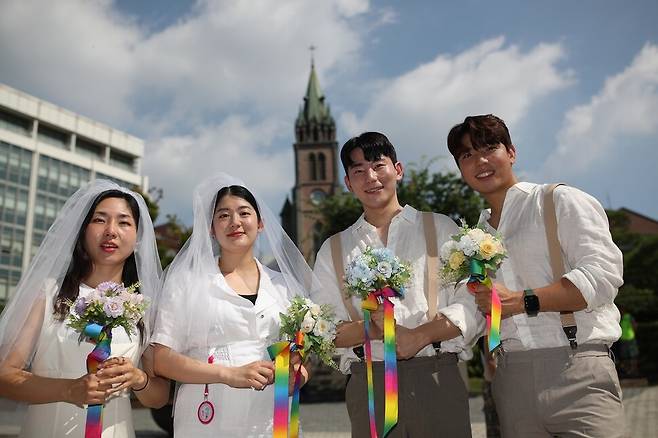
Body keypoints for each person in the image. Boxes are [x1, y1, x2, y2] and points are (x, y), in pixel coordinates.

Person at [447, 114, 626, 437]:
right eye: (467, 155)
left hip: (579, 367)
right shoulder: (473, 238)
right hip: (511, 379)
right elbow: (472, 307)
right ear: (461, 169)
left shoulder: (558, 200)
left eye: (489, 147)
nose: (480, 160)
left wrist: (522, 300)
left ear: (511, 152)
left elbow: (603, 275)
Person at [311, 132, 482, 437]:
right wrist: (373, 329)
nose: (371, 177)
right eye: (359, 171)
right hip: (369, 384)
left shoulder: (440, 228)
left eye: (379, 165)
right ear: (348, 183)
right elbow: (324, 330)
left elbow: (474, 300)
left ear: (398, 170)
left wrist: (420, 336)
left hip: (438, 374)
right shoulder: (334, 249)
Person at [0, 180, 169, 438]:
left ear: (137, 238)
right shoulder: (48, 295)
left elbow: (158, 397)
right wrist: (68, 390)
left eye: (124, 222)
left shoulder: (145, 308)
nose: (111, 231)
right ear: (82, 231)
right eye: (100, 220)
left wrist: (138, 379)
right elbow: (5, 376)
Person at [152, 173, 312, 437]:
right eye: (223, 215)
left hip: (273, 419)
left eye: (244, 213)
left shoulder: (285, 286)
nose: (235, 222)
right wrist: (228, 374)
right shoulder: (186, 282)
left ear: (260, 223)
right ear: (211, 229)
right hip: (207, 415)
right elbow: (161, 359)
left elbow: (299, 354)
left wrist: (299, 373)